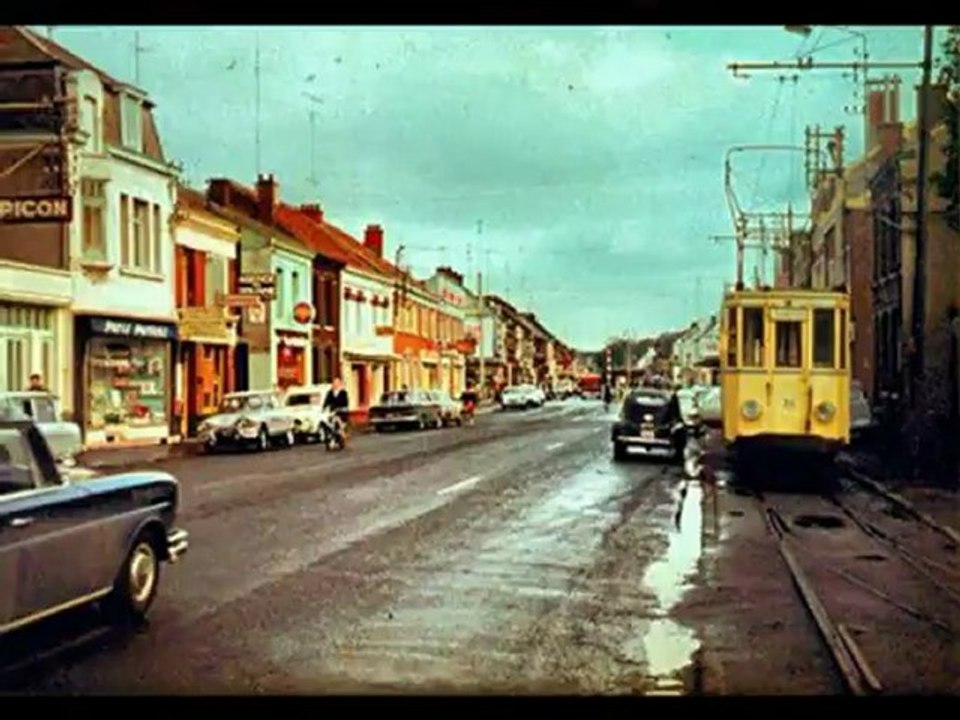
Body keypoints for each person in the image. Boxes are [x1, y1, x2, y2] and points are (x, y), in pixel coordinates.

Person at [323, 377, 351, 445]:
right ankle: (330, 435)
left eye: (337, 383)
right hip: (332, 411)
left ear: (340, 384)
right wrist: (324, 408)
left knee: (338, 418)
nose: (335, 384)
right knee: (329, 420)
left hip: (341, 412)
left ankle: (342, 433)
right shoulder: (330, 392)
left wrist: (344, 408)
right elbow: (326, 401)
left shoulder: (343, 393)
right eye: (334, 383)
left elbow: (346, 402)